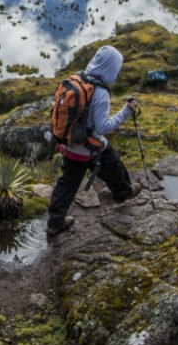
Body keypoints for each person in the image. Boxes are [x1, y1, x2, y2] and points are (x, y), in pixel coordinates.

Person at [47, 45, 140, 236]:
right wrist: (126, 111)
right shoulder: (101, 93)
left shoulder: (77, 79)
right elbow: (102, 128)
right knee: (113, 163)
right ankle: (122, 194)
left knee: (67, 184)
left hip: (69, 143)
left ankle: (55, 222)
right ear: (111, 67)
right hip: (89, 147)